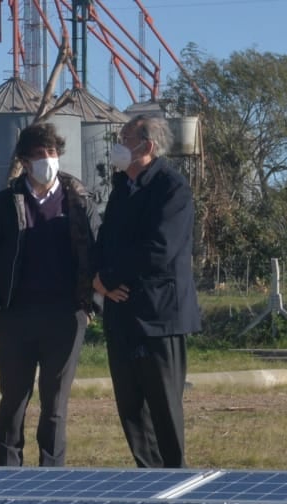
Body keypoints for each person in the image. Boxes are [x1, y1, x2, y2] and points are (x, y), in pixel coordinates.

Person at [0, 122, 101, 466]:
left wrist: (90, 308)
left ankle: (51, 471)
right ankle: (9, 468)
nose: (49, 160)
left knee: (55, 402)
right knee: (14, 398)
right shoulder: (3, 204)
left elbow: (98, 253)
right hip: (16, 316)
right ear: (25, 162)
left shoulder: (80, 202)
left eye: (53, 153)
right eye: (40, 155)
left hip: (67, 316)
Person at [95, 114, 201, 468]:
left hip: (160, 317)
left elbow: (159, 249)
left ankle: (175, 477)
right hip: (121, 316)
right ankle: (148, 475)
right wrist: (96, 279)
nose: (118, 145)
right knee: (131, 407)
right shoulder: (121, 188)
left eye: (125, 138)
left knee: (164, 407)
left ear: (147, 147)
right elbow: (105, 240)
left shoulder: (172, 189)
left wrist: (109, 278)